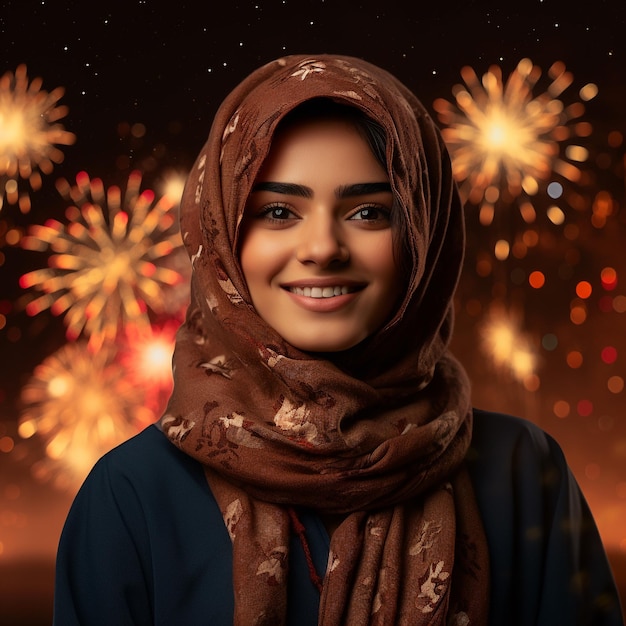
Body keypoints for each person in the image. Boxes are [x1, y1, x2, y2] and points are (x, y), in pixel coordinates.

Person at [52, 54, 624, 626]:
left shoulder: (522, 471)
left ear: (424, 238)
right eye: (279, 211)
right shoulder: (131, 497)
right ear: (222, 234)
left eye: (369, 212)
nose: (323, 247)